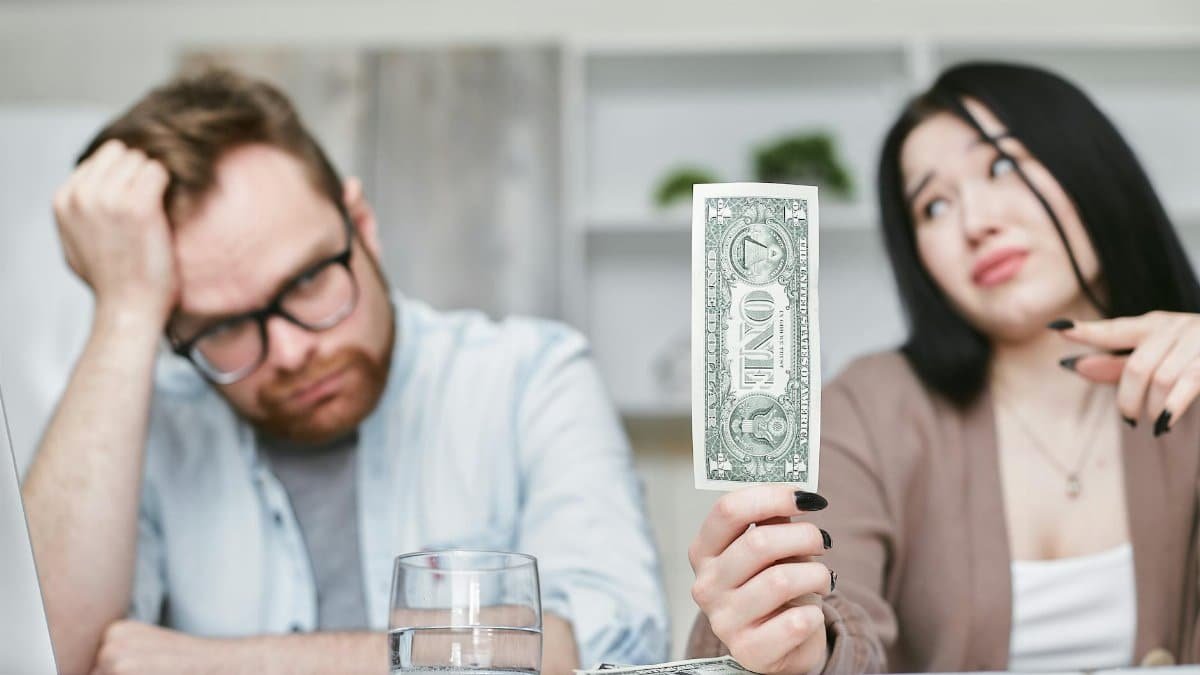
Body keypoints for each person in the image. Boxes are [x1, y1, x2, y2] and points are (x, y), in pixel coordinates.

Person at [21, 68, 668, 675]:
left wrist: (221, 664)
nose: (290, 352)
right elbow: (38, 655)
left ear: (361, 225)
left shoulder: (531, 378)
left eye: (306, 281)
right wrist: (125, 312)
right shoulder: (152, 424)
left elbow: (609, 647)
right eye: (223, 326)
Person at [686, 61, 1200, 673]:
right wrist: (802, 647)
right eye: (932, 206)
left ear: (1090, 164)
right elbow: (834, 609)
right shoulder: (868, 407)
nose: (975, 223)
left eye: (1003, 165)